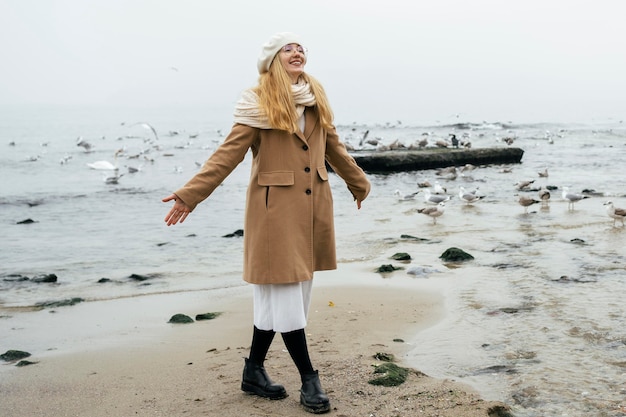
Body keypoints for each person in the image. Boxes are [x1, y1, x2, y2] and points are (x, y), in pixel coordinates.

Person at [162, 32, 371, 414]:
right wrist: (190, 194)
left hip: (313, 212)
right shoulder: (257, 103)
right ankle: (310, 381)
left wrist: (359, 183)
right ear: (272, 60)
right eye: (288, 48)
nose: (298, 52)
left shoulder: (315, 97)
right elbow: (228, 154)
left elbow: (334, 148)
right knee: (288, 300)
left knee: (286, 299)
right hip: (275, 214)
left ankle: (253, 372)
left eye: (301, 48)